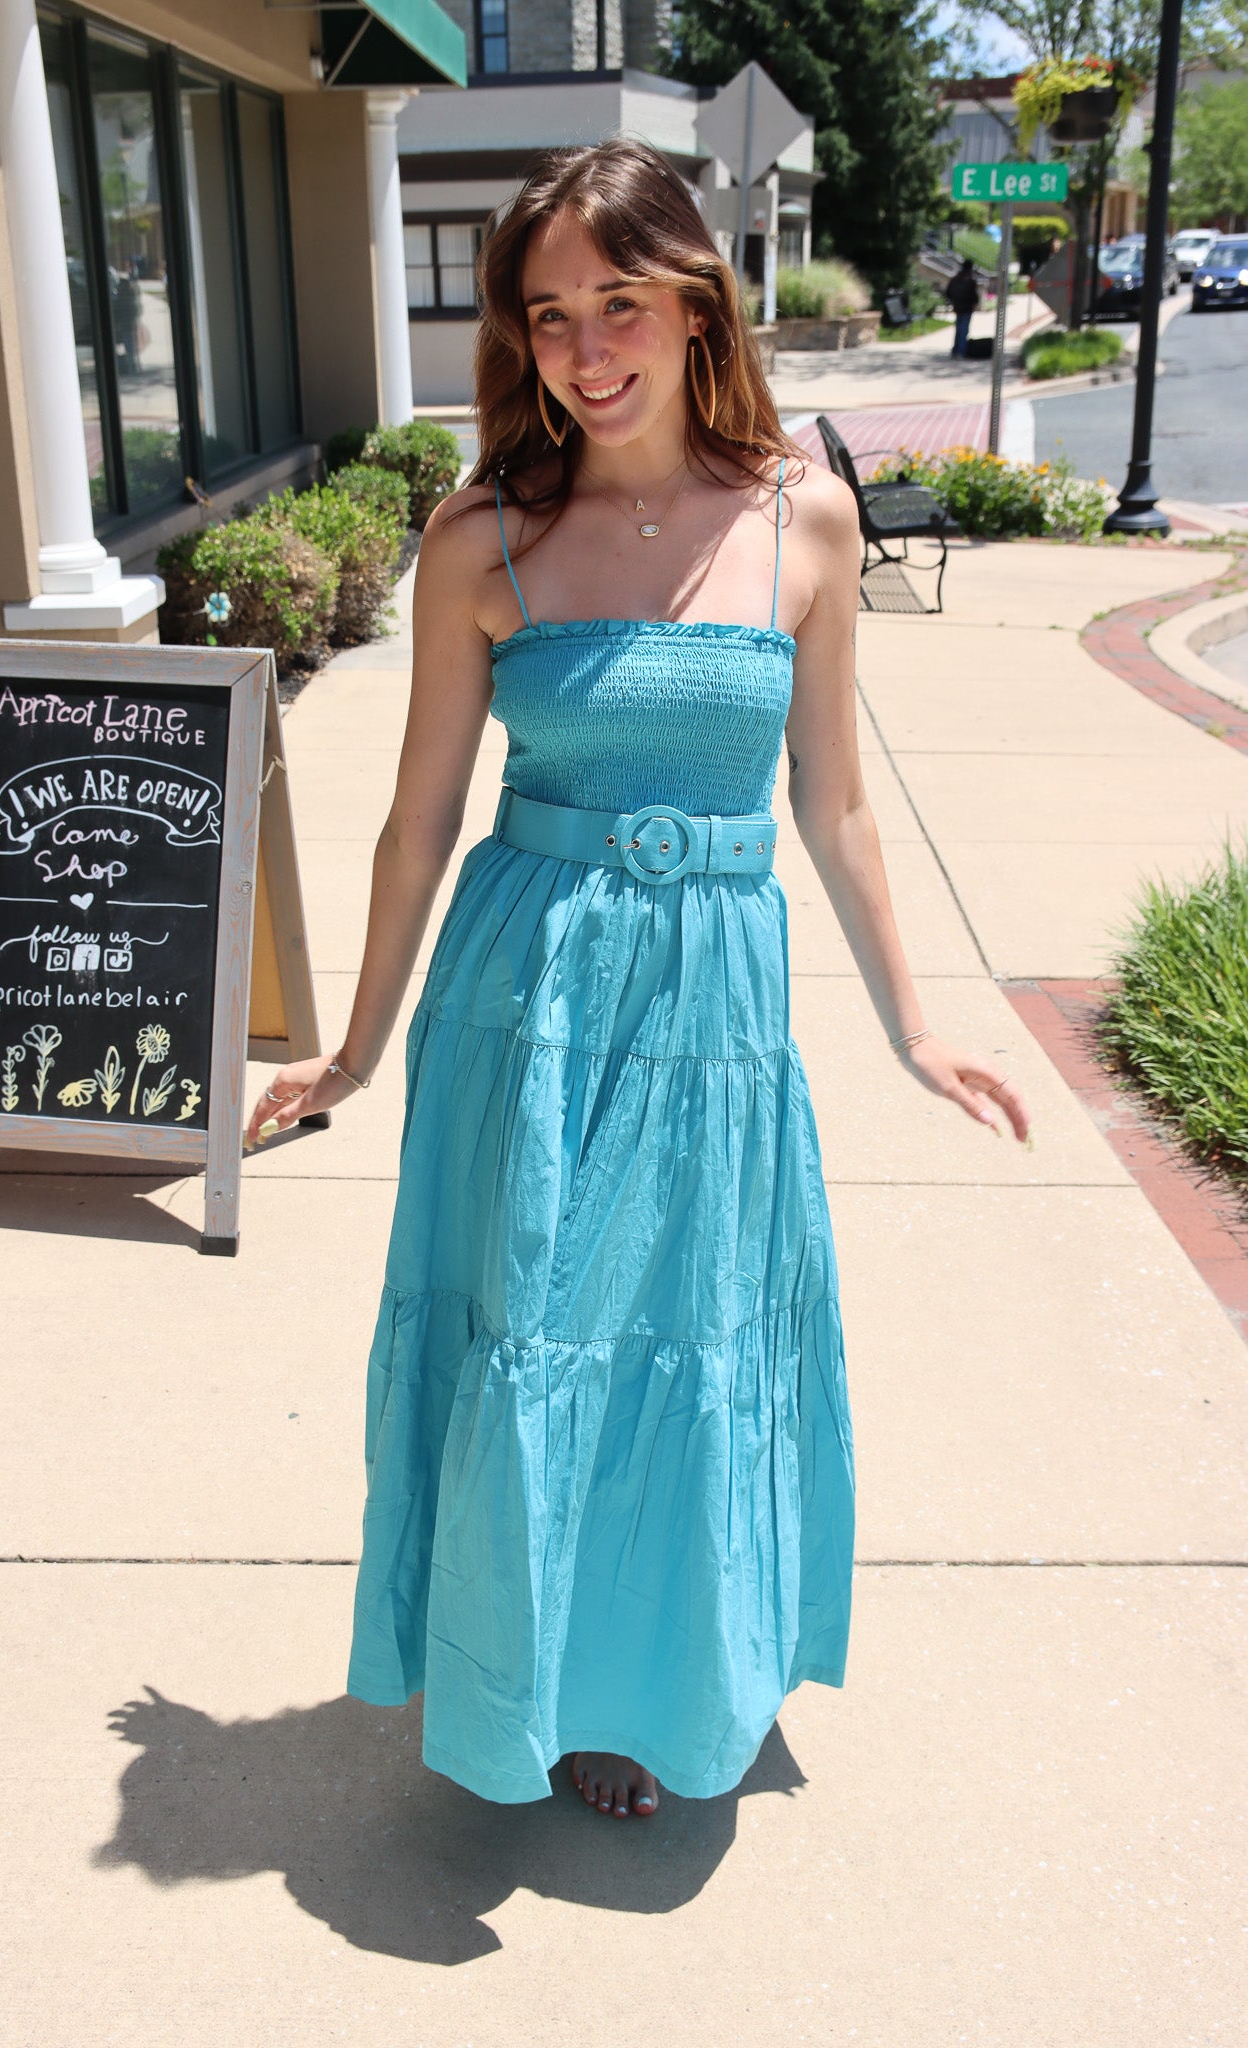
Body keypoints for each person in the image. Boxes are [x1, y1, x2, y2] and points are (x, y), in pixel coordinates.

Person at [245, 140, 1030, 1822]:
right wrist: (355, 1049)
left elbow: (831, 799)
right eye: (548, 317)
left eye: (619, 302)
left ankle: (668, 1669)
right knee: (549, 1330)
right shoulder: (487, 538)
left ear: (692, 301)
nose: (586, 349)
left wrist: (915, 1021)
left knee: (688, 1331)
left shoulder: (801, 518)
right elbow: (418, 823)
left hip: (717, 1006)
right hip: (530, 1002)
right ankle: (549, 1680)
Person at [946, 258, 980, 357]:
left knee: (958, 329)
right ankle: (961, 351)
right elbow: (974, 296)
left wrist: (954, 301)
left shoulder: (955, 279)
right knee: (964, 329)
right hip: (967, 308)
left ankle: (956, 349)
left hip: (957, 307)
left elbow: (948, 292)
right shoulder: (970, 281)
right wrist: (974, 303)